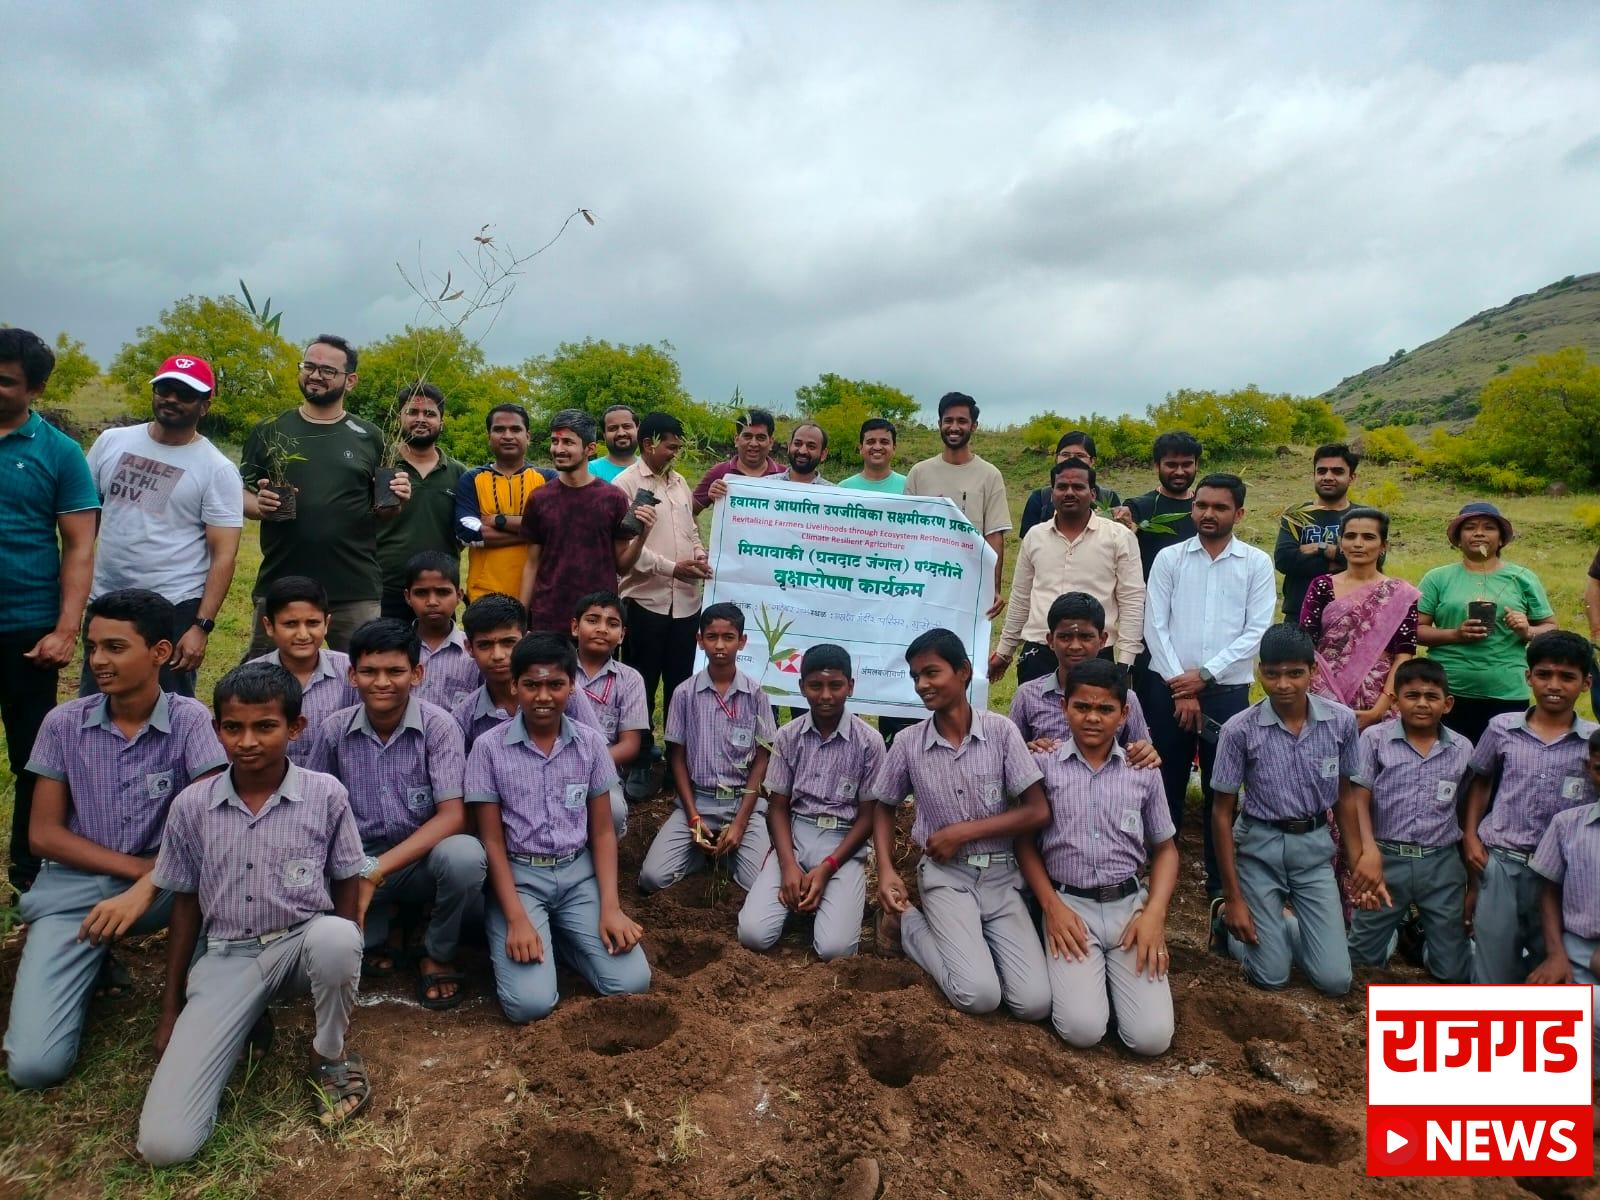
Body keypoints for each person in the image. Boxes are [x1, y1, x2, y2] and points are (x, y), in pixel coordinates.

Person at [137, 663, 369, 1166]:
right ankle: (245, 1019)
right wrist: (171, 1007)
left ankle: (329, 1054)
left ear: (295, 728)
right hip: (227, 957)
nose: (247, 741)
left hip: (302, 942)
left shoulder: (325, 793)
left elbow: (348, 880)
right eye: (232, 727)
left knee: (336, 938)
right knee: (164, 1146)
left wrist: (350, 950)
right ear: (217, 728)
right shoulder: (191, 805)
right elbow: (184, 905)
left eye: (265, 726)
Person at [4, 590, 226, 1089]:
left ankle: (209, 995)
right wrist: (139, 873)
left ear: (160, 653)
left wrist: (154, 881)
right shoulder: (63, 724)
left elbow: (208, 821)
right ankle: (91, 960)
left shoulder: (189, 719)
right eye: (92, 647)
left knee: (224, 879)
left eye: (115, 647)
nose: (98, 661)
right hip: (80, 890)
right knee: (36, 1067)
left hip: (171, 887)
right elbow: (43, 836)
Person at [465, 633, 649, 1023]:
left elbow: (601, 832)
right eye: (531, 684)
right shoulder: (488, 748)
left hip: (577, 877)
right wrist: (516, 919)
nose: (543, 696)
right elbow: (492, 841)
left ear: (572, 686)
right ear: (514, 686)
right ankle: (524, 929)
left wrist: (611, 908)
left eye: (555, 684)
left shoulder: (591, 744)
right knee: (531, 1005)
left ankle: (560, 935)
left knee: (631, 983)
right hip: (519, 879)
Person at [869, 628, 1052, 1020]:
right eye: (916, 676)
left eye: (932, 673)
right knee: (978, 996)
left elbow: (1037, 811)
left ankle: (970, 940)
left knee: (1034, 1003)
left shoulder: (1001, 732)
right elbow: (882, 806)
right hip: (946, 877)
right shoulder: (907, 743)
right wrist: (885, 870)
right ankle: (906, 924)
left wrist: (964, 832)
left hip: (1003, 879)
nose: (922, 685)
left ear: (964, 672)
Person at [305, 619, 482, 1010]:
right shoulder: (334, 731)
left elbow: (453, 816)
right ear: (352, 675)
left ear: (417, 674)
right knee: (347, 949)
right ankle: (395, 926)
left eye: (395, 671)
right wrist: (359, 869)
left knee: (465, 856)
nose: (381, 682)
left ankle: (436, 948)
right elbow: (315, 811)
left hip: (419, 860)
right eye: (369, 671)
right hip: (357, 860)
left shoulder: (440, 727)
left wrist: (374, 870)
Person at [1016, 659, 1176, 1055]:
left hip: (1129, 909)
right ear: (1064, 708)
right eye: (1081, 707)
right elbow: (1024, 844)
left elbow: (1166, 849)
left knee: (1152, 1040)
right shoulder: (1043, 767)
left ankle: (1116, 983)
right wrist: (1051, 906)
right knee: (1082, 1030)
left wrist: (1154, 915)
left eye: (1105, 709)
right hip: (1070, 907)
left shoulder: (1143, 770)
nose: (1092, 718)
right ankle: (1092, 983)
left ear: (1124, 715)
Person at [1140, 472, 1274, 897]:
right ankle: (1160, 874)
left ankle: (1221, 884)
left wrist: (1206, 676)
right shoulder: (1170, 558)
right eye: (1201, 505)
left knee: (1223, 785)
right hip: (1169, 687)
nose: (1208, 514)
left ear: (1239, 512)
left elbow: (1257, 630)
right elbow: (1154, 625)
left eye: (1219, 507)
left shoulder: (1255, 562)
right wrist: (1183, 686)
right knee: (1165, 780)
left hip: (1227, 691)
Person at [0, 329, 100, 894]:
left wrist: (67, 629)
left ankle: (28, 876)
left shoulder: (59, 453)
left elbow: (80, 546)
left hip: (26, 629)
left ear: (35, 388)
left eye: (6, 380)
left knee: (32, 761)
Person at [1208, 623, 1357, 997]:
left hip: (1313, 850)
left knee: (1335, 980)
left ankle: (1282, 924)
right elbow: (1221, 814)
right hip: (1259, 851)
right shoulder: (1238, 730)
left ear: (1313, 672)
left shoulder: (1341, 721)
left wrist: (1357, 858)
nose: (1283, 684)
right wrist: (1234, 897)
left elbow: (1345, 795)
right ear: (1260, 673)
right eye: (1272, 674)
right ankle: (1227, 919)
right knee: (1272, 976)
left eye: (1295, 673)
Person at [83, 354, 242, 696]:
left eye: (185, 394)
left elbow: (224, 555)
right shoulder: (112, 442)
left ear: (205, 406)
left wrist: (201, 626)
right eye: (164, 389)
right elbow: (85, 522)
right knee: (96, 703)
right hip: (106, 598)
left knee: (167, 711)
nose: (171, 399)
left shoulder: (217, 468)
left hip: (172, 605)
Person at [242, 335, 411, 656]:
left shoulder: (370, 436)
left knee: (361, 676)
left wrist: (398, 499)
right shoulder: (270, 429)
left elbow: (385, 511)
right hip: (281, 582)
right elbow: (240, 495)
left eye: (327, 370)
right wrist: (259, 505)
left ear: (351, 381)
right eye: (309, 366)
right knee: (267, 681)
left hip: (354, 587)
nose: (315, 375)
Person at [1462, 630, 1596, 985]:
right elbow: (1481, 781)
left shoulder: (1591, 742)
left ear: (1586, 683)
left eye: (1567, 677)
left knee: (1549, 963)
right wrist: (1471, 839)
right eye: (1544, 674)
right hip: (1503, 861)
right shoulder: (1502, 728)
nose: (1554, 685)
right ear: (1528, 677)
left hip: (1562, 874)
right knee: (1493, 965)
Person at [737, 644, 886, 960]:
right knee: (753, 935)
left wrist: (828, 868)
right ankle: (801, 897)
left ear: (850, 686)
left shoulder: (869, 742)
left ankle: (836, 897)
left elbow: (868, 817)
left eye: (836, 685)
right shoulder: (788, 736)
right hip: (796, 838)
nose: (826, 695)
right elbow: (777, 807)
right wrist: (788, 864)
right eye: (816, 686)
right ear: (802, 687)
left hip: (843, 845)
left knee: (835, 950)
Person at [1344, 658, 1473, 982]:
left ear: (1448, 704)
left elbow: (1464, 804)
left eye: (1431, 697)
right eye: (1412, 695)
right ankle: (1390, 935)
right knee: (1362, 962)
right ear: (1396, 700)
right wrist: (1367, 853)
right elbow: (1359, 797)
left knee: (1453, 973)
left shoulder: (1462, 748)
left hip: (1441, 863)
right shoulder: (1375, 740)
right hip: (1386, 858)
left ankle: (1421, 942)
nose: (1421, 704)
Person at [639, 603, 777, 893]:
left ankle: (728, 851)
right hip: (698, 801)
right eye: (711, 637)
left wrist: (740, 823)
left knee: (758, 884)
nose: (720, 645)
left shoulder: (756, 695)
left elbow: (762, 760)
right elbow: (677, 757)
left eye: (728, 637)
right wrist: (692, 816)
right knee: (652, 878)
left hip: (742, 804)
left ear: (742, 641)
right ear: (699, 641)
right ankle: (701, 855)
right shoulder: (684, 693)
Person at [613, 412, 710, 796]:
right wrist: (674, 568)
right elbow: (626, 550)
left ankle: (676, 762)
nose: (676, 450)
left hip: (686, 605)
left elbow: (691, 530)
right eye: (670, 443)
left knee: (680, 688)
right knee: (641, 684)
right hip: (644, 602)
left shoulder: (680, 482)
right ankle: (638, 762)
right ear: (649, 443)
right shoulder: (625, 485)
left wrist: (698, 556)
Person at [990, 457, 1144, 686]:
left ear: (1092, 494)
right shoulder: (1035, 536)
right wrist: (1004, 652)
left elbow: (1132, 599)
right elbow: (1021, 598)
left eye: (1078, 487)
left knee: (1090, 721)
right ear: (1052, 493)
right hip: (1039, 652)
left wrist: (1125, 662)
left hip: (1096, 654)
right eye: (1062, 487)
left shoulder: (1119, 537)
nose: (1069, 492)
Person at [1417, 501, 1557, 746]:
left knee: (1501, 767)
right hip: (1446, 689)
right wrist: (1456, 635)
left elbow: (1550, 628)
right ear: (1458, 539)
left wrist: (1527, 630)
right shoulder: (1437, 578)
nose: (1479, 533)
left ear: (1501, 539)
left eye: (1489, 528)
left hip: (1506, 689)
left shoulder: (1522, 578)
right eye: (1470, 527)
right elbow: (1415, 630)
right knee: (1446, 764)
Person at [518, 409, 648, 634]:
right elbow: (532, 564)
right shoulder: (539, 498)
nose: (558, 449)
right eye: (555, 441)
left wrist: (643, 535)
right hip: (549, 617)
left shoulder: (613, 498)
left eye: (568, 442)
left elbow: (622, 565)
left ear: (589, 448)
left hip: (599, 622)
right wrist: (520, 620)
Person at [1299, 507, 1418, 729]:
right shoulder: (1322, 586)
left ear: (1383, 546)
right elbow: (1306, 646)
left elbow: (1404, 656)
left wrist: (1378, 710)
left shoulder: (1400, 594)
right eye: (1350, 536)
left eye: (1369, 537)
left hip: (1378, 701)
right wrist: (1320, 695)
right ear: (1341, 543)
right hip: (1323, 697)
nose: (1358, 543)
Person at [1007, 592, 1156, 764]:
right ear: (1050, 640)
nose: (1075, 646)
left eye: (1085, 637)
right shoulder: (1028, 695)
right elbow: (1009, 754)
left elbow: (1142, 753)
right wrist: (1029, 750)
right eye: (1065, 637)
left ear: (1102, 640)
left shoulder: (1125, 697)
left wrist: (1144, 752)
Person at [1528, 734, 1600, 1074]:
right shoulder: (1568, 824)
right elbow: (1549, 892)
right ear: (1589, 770)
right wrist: (1557, 954)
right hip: (1577, 952)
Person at [448, 593, 602, 751]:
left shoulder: (565, 692)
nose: (498, 656)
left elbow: (598, 749)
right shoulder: (464, 717)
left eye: (508, 642)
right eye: (485, 645)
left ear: (526, 640)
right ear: (469, 648)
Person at [904, 393, 1010, 618]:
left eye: (962, 421)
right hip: (924, 581)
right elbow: (908, 533)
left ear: (974, 426)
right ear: (939, 424)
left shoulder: (989, 475)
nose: (954, 427)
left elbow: (994, 536)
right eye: (948, 420)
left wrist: (993, 588)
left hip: (968, 584)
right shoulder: (919, 472)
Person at [375, 384, 467, 621]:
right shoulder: (380, 466)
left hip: (438, 593)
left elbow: (465, 533)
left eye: (429, 414)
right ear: (399, 419)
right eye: (412, 413)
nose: (420, 419)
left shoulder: (459, 474)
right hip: (383, 589)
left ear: (442, 422)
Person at [248, 576, 357, 767]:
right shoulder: (249, 677)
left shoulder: (352, 672)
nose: (303, 634)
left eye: (313, 623)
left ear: (327, 624)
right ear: (269, 626)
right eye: (290, 624)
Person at [454, 403, 547, 603]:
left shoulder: (547, 479)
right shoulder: (472, 479)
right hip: (485, 595)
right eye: (499, 429)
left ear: (528, 436)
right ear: (489, 437)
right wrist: (535, 533)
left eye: (515, 429)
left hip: (540, 593)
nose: (507, 435)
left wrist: (498, 520)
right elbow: (467, 533)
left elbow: (556, 526)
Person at [571, 591, 646, 833]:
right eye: (592, 620)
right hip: (549, 765)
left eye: (612, 624)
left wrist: (585, 765)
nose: (602, 629)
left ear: (622, 635)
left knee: (612, 810)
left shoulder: (630, 679)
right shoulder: (557, 669)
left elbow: (630, 746)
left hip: (603, 771)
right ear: (575, 627)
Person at [1274, 443, 1357, 621]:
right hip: (1299, 615)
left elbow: (1372, 560)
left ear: (1352, 477)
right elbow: (1284, 559)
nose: (1328, 477)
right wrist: (1337, 563)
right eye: (1321, 471)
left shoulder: (1363, 518)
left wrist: (1319, 548)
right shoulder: (1295, 515)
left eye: (1337, 471)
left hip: (1349, 615)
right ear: (1314, 475)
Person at [1113, 431, 1200, 580]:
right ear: (1157, 466)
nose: (1179, 472)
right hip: (1150, 597)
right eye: (1171, 465)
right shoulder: (1138, 507)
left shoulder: (1205, 508)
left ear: (1196, 465)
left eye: (1186, 464)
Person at [402, 551, 479, 711]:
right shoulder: (396, 648)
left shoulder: (474, 652)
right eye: (421, 593)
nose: (432, 602)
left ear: (458, 595)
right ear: (408, 597)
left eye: (443, 592)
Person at [1019, 431, 1121, 539]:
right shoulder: (1039, 499)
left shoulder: (1108, 498)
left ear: (1092, 461)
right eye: (1065, 455)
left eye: (1080, 455)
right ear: (1056, 458)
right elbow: (1029, 543)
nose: (1072, 460)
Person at [692, 408, 783, 513]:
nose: (753, 443)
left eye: (760, 438)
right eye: (747, 436)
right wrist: (711, 493)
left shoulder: (785, 475)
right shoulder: (719, 472)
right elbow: (690, 511)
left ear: (771, 443)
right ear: (736, 440)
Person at [838, 418, 906, 493]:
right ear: (861, 448)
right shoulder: (843, 489)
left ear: (894, 448)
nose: (877, 447)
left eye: (884, 442)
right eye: (870, 442)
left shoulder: (909, 487)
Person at [587, 404, 638, 482]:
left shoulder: (651, 468)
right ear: (604, 435)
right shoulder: (590, 471)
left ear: (638, 429)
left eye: (627, 426)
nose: (621, 433)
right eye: (613, 428)